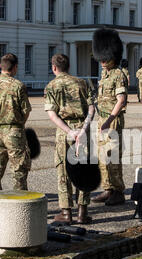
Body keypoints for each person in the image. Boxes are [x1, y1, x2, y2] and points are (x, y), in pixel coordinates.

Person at [44, 53, 95, 223]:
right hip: (83, 129)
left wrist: (69, 131)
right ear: (69, 67)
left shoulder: (51, 86)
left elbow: (52, 114)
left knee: (64, 171)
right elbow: (91, 109)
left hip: (64, 131)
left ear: (54, 68)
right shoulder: (82, 82)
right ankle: (82, 212)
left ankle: (66, 212)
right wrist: (83, 129)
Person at [0, 53, 31, 193]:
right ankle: (20, 205)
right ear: (15, 67)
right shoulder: (18, 86)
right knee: (19, 172)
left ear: (0, 66)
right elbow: (26, 110)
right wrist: (19, 123)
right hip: (15, 130)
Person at [91, 28, 127, 206]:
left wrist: (109, 121)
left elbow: (121, 100)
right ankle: (108, 189)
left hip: (112, 121)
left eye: (106, 57)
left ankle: (118, 191)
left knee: (112, 156)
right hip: (102, 120)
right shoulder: (105, 74)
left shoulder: (118, 74)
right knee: (102, 156)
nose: (103, 61)